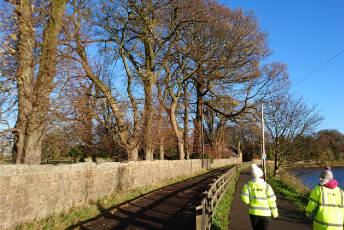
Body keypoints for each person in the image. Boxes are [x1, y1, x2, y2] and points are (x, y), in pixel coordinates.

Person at [241, 164, 278, 230]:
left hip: (254, 213)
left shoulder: (247, 186)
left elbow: (245, 199)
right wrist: (274, 213)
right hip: (266, 214)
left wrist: (250, 202)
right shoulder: (267, 186)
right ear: (262, 176)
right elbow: (272, 201)